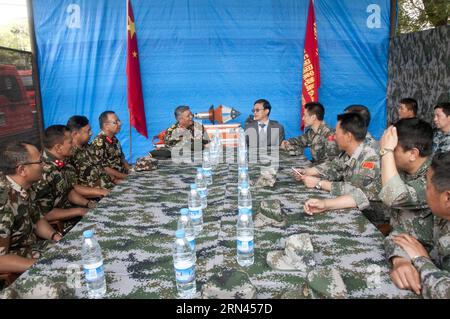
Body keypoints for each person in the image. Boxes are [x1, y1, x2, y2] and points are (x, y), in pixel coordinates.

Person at [301, 113, 387, 226]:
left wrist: (320, 184)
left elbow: (357, 192)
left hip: (371, 217)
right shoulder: (349, 152)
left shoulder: (370, 158)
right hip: (351, 206)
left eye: (336, 134)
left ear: (348, 136)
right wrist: (308, 171)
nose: (334, 137)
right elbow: (333, 168)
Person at [385, 151, 449, 298]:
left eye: (427, 187)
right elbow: (399, 235)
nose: (425, 192)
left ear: (447, 197)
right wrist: (400, 260)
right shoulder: (439, 217)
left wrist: (421, 261)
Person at [0, 142, 62, 275]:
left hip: (31, 249)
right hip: (14, 267)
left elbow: (37, 219)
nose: (44, 165)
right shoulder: (3, 201)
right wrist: (44, 265)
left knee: (73, 250)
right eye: (39, 162)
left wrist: (56, 236)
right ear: (22, 170)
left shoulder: (27, 186)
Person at [379, 119, 434, 242]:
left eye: (394, 149)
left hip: (422, 256)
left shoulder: (434, 177)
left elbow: (392, 196)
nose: (389, 155)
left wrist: (386, 151)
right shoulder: (403, 168)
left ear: (413, 154)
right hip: (397, 243)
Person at [33, 125, 90, 227]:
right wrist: (80, 211)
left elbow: (69, 192)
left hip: (71, 212)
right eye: (70, 142)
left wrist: (88, 204)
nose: (74, 144)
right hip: (59, 225)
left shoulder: (62, 162)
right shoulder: (43, 172)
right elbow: (45, 214)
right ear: (58, 147)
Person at [66, 115, 115, 192]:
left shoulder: (89, 147)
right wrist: (100, 193)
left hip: (108, 187)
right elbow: (73, 188)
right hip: (96, 195)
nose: (91, 133)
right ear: (75, 134)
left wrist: (115, 180)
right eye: (88, 131)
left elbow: (101, 169)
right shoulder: (69, 154)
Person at [91, 111, 129, 183]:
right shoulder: (99, 143)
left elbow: (122, 159)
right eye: (116, 122)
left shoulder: (114, 139)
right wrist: (125, 177)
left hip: (122, 175)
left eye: (119, 121)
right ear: (106, 126)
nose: (120, 124)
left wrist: (131, 171)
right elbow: (104, 168)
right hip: (111, 180)